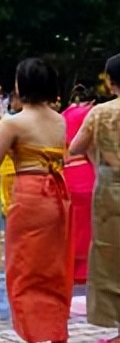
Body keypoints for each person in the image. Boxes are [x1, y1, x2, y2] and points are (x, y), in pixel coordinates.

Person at [0, 58, 72, 343]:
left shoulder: (14, 122)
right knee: (54, 266)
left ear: (21, 86)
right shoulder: (60, 120)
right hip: (58, 195)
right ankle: (59, 341)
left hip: (30, 191)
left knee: (24, 265)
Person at [67, 53, 120, 343]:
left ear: (110, 81)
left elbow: (75, 147)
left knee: (110, 254)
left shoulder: (100, 114)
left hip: (110, 187)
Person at [62, 90, 96, 284]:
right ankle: (85, 272)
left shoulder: (62, 115)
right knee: (89, 226)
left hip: (66, 173)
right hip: (86, 172)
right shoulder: (92, 113)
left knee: (70, 225)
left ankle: (70, 271)